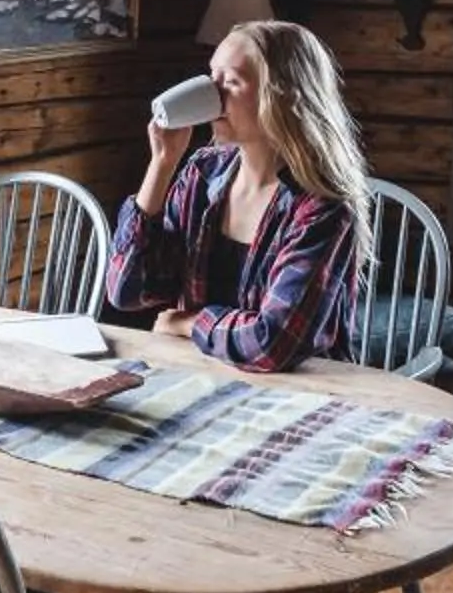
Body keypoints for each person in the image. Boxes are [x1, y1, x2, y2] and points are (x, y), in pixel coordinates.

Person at [106, 19, 372, 371]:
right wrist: (162, 164)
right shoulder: (204, 174)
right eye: (211, 76)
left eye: (230, 82)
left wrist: (190, 323)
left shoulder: (321, 208)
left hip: (305, 394)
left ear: (282, 98)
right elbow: (125, 290)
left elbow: (272, 342)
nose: (213, 95)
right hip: (204, 372)